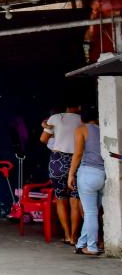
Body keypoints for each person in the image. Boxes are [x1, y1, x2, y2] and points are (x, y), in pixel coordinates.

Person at [41, 101, 83, 246]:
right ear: (76, 106)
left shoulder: (54, 118)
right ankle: (74, 237)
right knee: (75, 199)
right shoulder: (81, 120)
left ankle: (66, 235)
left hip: (57, 161)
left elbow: (43, 139)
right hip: (76, 162)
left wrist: (55, 137)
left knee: (60, 198)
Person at [70, 108, 105, 256]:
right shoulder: (103, 129)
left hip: (87, 173)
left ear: (82, 119)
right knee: (94, 212)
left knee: (90, 213)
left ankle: (91, 247)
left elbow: (78, 153)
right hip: (103, 174)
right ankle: (81, 243)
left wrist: (71, 174)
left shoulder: (81, 129)